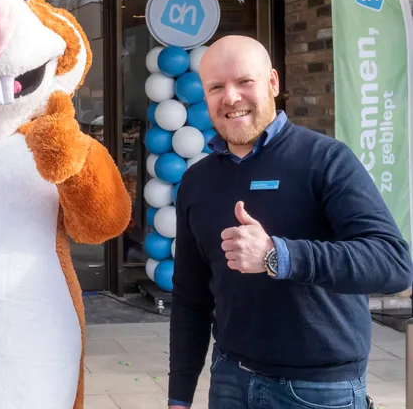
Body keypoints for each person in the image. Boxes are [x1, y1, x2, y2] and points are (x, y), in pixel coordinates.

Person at [168, 35, 413, 409]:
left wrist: (277, 255)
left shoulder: (325, 160)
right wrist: (179, 396)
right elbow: (190, 296)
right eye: (216, 87)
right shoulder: (197, 181)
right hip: (230, 380)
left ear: (272, 83)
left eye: (244, 81)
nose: (230, 97)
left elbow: (393, 264)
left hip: (318, 390)